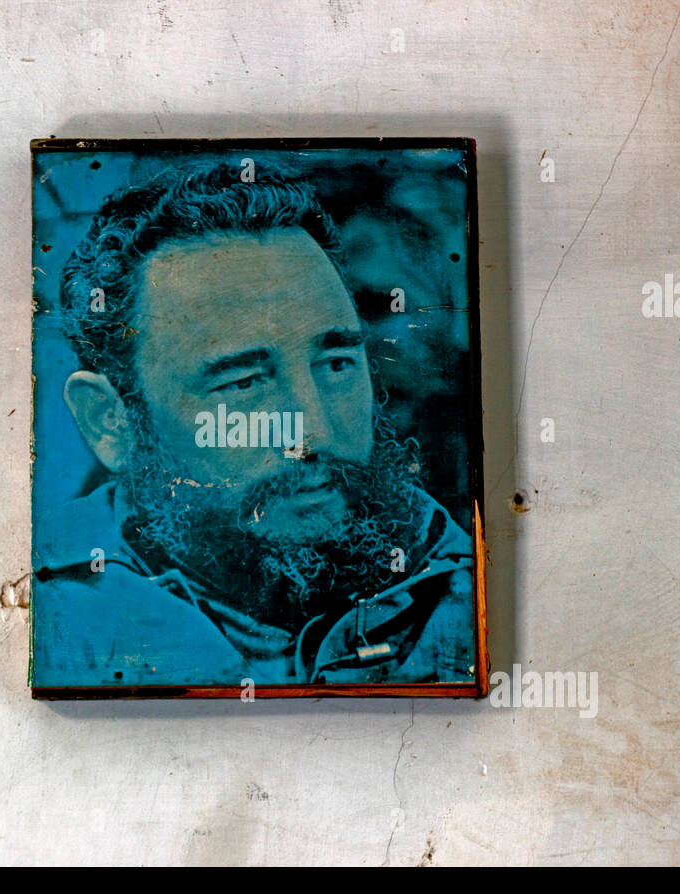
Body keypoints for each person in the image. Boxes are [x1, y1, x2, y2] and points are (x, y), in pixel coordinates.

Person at [33, 158, 476, 688]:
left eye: (336, 364)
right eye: (242, 383)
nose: (314, 433)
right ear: (111, 420)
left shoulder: (470, 590)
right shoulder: (42, 615)